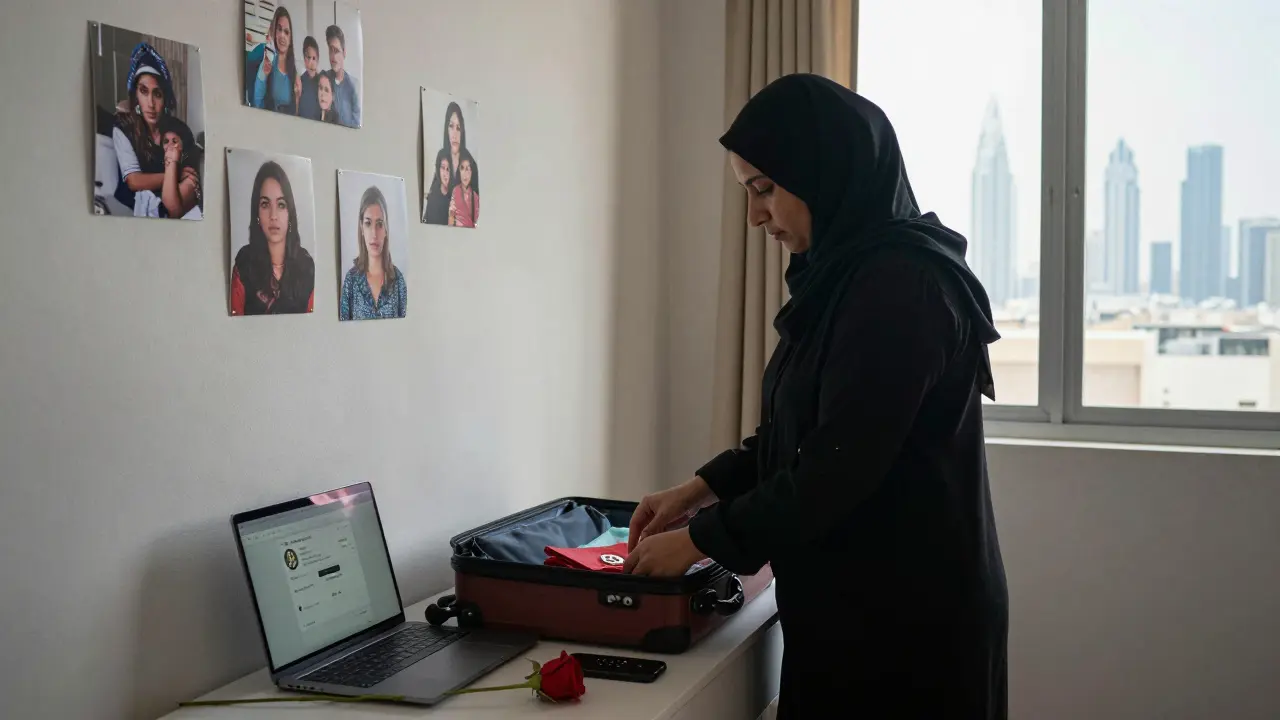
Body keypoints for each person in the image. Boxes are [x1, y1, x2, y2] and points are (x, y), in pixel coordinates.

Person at [624, 74, 1008, 719]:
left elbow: (836, 470)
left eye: (765, 189)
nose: (755, 216)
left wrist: (699, 542)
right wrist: (697, 491)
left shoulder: (902, 288)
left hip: (909, 629)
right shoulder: (847, 279)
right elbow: (803, 432)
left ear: (825, 170)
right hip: (856, 610)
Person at [112, 42, 200, 216]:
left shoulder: (180, 131)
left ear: (165, 98)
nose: (151, 104)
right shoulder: (124, 128)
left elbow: (185, 192)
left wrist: (177, 183)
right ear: (136, 96)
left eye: (157, 94)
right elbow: (133, 180)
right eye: (144, 92)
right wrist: (174, 176)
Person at [231, 161, 315, 315]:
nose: (273, 216)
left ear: (290, 213)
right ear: (257, 213)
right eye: (265, 204)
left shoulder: (306, 267)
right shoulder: (244, 264)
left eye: (281, 205)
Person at [340, 186, 407, 320]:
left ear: (386, 229)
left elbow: (406, 331)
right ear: (361, 227)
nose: (374, 234)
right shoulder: (351, 281)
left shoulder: (398, 281)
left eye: (380, 224)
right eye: (368, 223)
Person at [132, 116, 202, 220]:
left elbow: (171, 210)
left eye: (174, 141)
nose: (169, 146)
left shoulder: (189, 174)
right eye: (166, 141)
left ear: (183, 146)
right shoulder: (158, 168)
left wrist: (172, 163)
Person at [246, 6, 296, 113]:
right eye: (279, 29)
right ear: (272, 31)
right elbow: (256, 103)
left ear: (291, 39)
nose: (282, 35)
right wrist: (263, 73)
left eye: (287, 32)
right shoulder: (264, 60)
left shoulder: (295, 72)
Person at [325, 25, 360, 128]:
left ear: (344, 53)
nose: (333, 56)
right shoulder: (324, 80)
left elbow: (357, 123)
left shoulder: (353, 85)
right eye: (331, 50)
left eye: (337, 51)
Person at [448, 150, 479, 228]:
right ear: (459, 171)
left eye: (468, 169)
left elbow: (476, 223)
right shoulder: (455, 191)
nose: (465, 174)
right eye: (462, 168)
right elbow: (451, 217)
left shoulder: (475, 197)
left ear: (472, 172)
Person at [440, 101, 467, 190]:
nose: (454, 134)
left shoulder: (470, 162)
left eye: (458, 128)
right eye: (451, 126)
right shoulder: (441, 156)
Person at [422, 149, 452, 225]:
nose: (445, 173)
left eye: (448, 169)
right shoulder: (433, 194)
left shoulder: (456, 198)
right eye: (442, 168)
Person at [295, 36, 322, 119]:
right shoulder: (299, 81)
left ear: (318, 59)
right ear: (304, 57)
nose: (310, 62)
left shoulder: (322, 83)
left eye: (314, 58)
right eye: (308, 57)